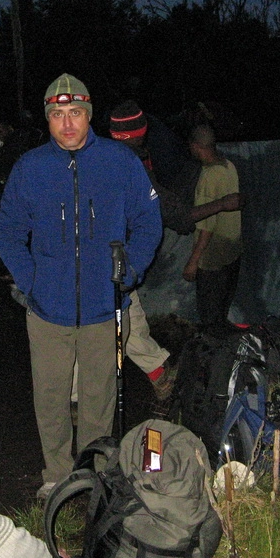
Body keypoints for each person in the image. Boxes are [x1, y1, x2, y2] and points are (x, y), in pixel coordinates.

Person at [0, 74, 162, 499]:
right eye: (57, 115)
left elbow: (148, 222)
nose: (67, 124)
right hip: (47, 310)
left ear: (88, 115)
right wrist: (32, 282)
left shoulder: (119, 162)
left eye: (75, 113)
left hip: (105, 304)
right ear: (47, 119)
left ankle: (95, 472)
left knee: (98, 398)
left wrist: (130, 271)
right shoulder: (30, 168)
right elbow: (8, 232)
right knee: (50, 397)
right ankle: (56, 473)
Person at [108, 101, 243, 400]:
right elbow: (176, 216)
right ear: (142, 131)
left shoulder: (98, 158)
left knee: (132, 320)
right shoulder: (131, 168)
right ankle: (78, 397)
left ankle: (159, 374)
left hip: (112, 262)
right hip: (110, 264)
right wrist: (222, 204)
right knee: (105, 334)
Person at [182, 124, 242, 329]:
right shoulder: (229, 166)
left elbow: (207, 225)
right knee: (221, 312)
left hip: (213, 258)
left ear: (196, 146)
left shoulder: (208, 176)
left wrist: (193, 261)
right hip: (232, 251)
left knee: (210, 317)